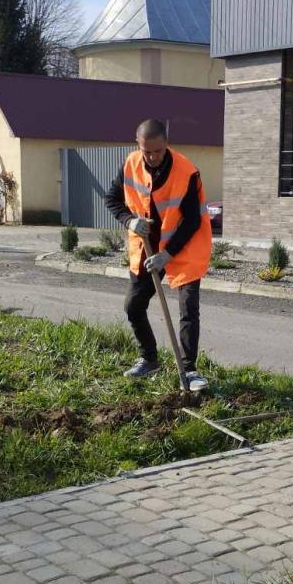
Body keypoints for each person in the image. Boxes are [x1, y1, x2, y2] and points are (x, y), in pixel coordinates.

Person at [104, 119, 212, 392]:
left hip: (183, 246)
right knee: (133, 306)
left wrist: (168, 254)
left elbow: (191, 221)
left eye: (157, 152)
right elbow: (112, 199)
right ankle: (149, 358)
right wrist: (128, 220)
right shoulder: (130, 164)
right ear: (138, 145)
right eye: (146, 152)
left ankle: (189, 371)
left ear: (166, 144)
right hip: (147, 247)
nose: (152, 157)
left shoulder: (186, 171)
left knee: (188, 309)